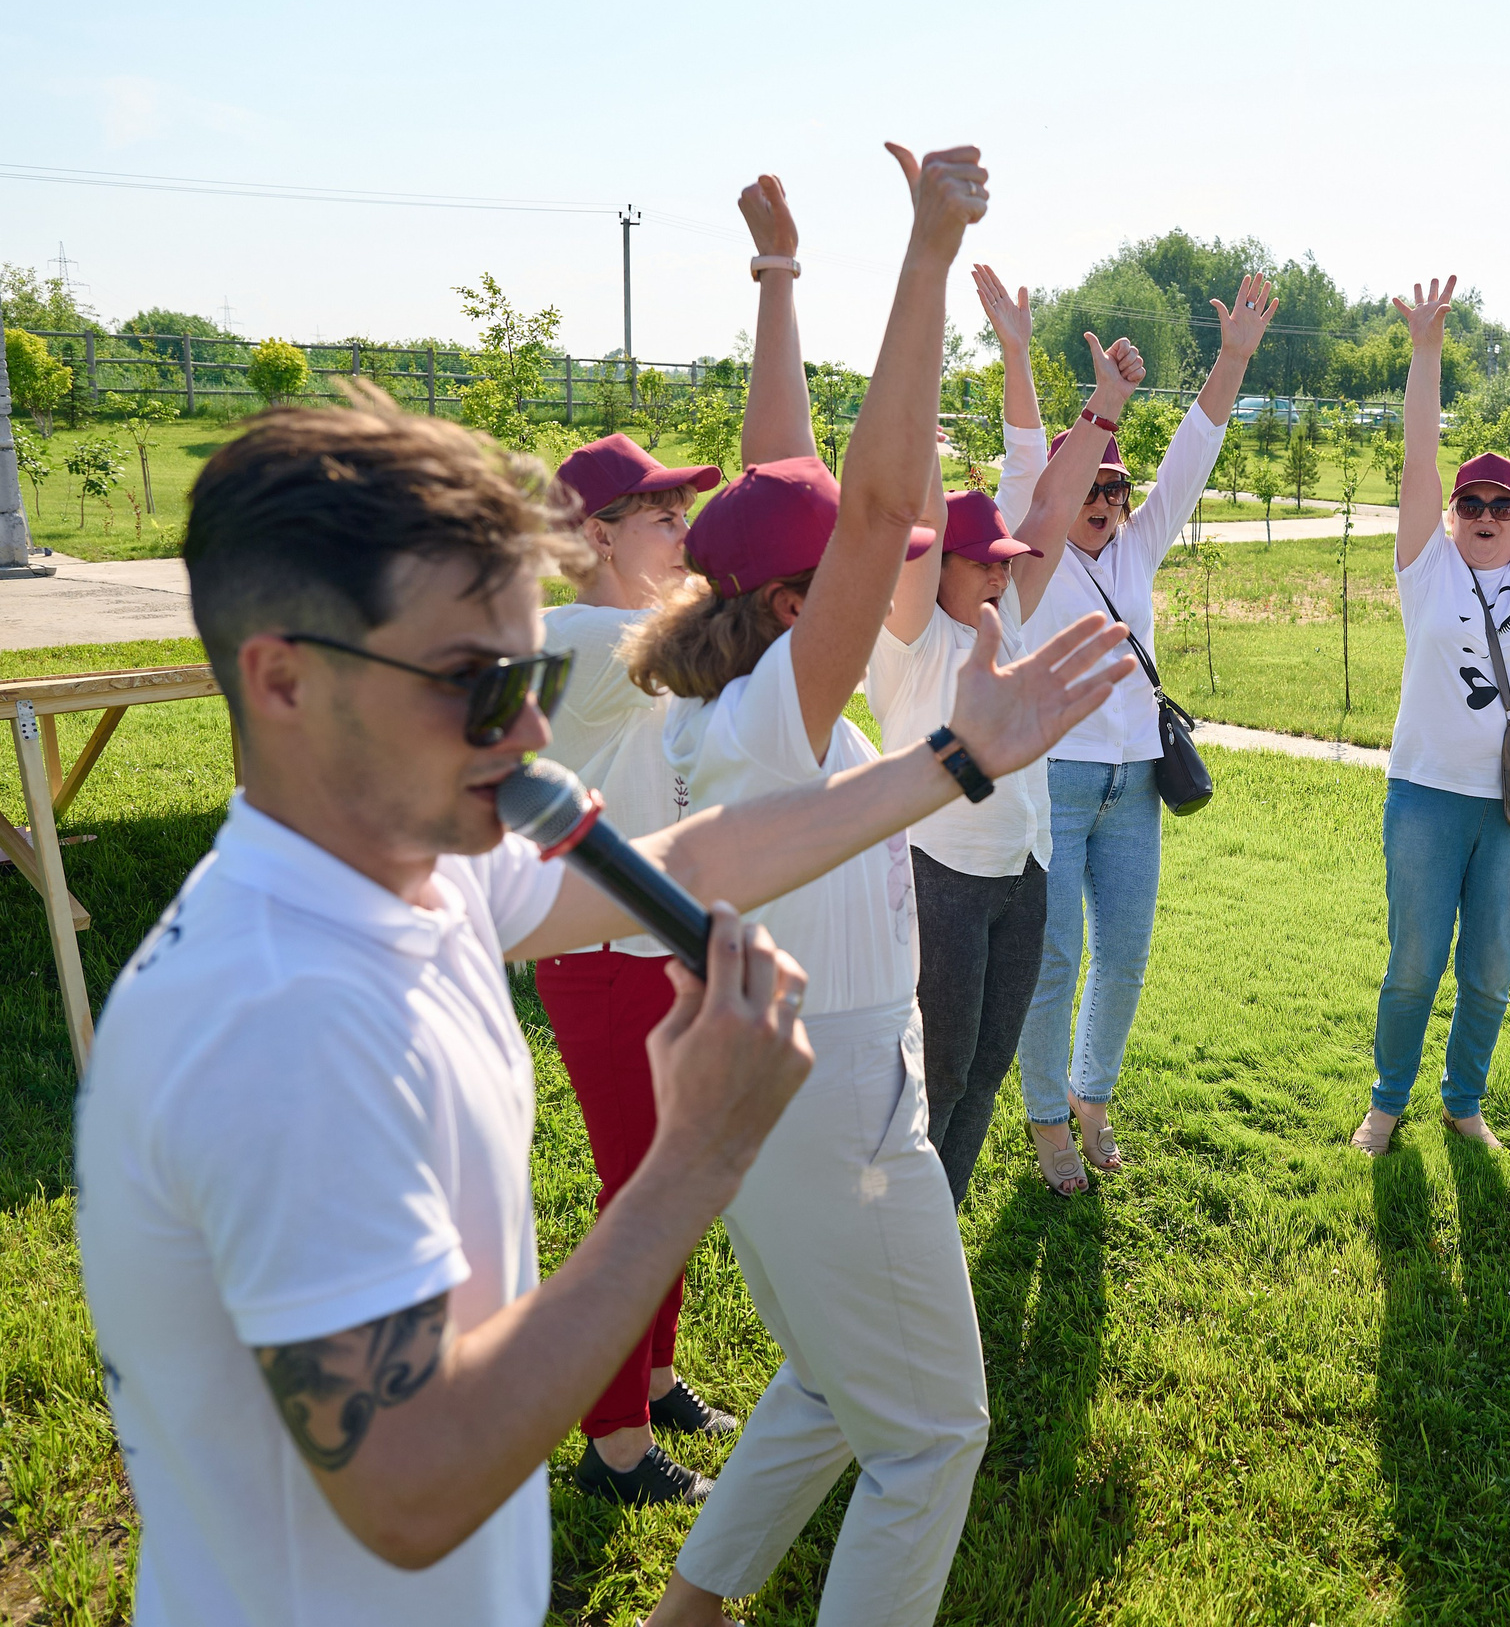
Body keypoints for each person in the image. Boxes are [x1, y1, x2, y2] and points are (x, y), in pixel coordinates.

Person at [73, 379, 1132, 1627]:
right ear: (287, 682)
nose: (528, 724)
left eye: (527, 669)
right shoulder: (279, 1018)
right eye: (473, 680)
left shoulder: (404, 876)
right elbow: (409, 1487)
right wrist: (693, 1159)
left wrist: (950, 761)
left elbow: (693, 859)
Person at [631, 151, 1131, 1627]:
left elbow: (786, 493)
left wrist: (781, 281)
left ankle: (694, 1605)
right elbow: (859, 502)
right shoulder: (781, 709)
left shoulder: (723, 696)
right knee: (931, 1434)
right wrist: (927, 252)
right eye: (862, 575)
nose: (893, 570)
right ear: (797, 613)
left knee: (834, 1375)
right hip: (835, 1094)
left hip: (767, 1093)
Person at [869, 260, 1148, 1203]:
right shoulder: (909, 637)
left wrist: (1105, 409)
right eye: (979, 561)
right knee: (936, 1073)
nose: (1001, 572)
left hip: (1019, 871)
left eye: (1004, 562)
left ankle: (934, 1229)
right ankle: (898, 1234)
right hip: (939, 876)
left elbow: (1052, 506)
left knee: (984, 1072)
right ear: (934, 564)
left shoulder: (1011, 608)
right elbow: (916, 503)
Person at [1000, 272, 1276, 1190]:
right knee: (1053, 959)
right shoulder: (1029, 552)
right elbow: (1028, 446)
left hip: (1135, 788)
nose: (1106, 501)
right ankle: (1045, 1117)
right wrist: (1016, 352)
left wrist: (1233, 358)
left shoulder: (1138, 546)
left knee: (1123, 958)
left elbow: (1197, 449)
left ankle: (1092, 1094)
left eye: (1117, 490)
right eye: (1091, 486)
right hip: (1058, 780)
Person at [1351, 274, 1510, 1158]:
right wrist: (1425, 350)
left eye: (1503, 504)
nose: (1487, 515)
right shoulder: (1427, 567)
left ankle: (1464, 1102)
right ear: (1451, 518)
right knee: (1414, 966)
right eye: (1472, 504)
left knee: (1489, 974)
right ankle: (1386, 1104)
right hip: (1425, 797)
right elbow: (1420, 456)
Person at [535, 421, 731, 1505]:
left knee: (679, 1177)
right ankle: (611, 1442)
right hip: (602, 952)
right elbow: (662, 643)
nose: (684, 529)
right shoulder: (577, 633)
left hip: (662, 943)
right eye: (662, 514)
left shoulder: (635, 620)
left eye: (685, 510)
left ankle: (653, 1377)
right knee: (637, 1197)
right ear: (596, 534)